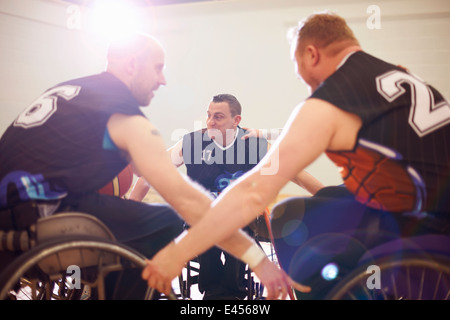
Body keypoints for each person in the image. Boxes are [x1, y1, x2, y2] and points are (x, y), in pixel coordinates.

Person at [141, 12, 450, 299]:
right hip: (434, 216)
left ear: (311, 54)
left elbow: (252, 192)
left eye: (297, 65)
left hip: (420, 225)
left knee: (290, 216)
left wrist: (177, 253)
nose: (303, 79)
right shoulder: (404, 78)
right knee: (330, 198)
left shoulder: (331, 100)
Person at [0, 32, 307, 300]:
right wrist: (259, 261)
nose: (163, 79)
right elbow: (187, 201)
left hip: (11, 218)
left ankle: (98, 284)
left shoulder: (72, 92)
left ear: (236, 121)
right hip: (42, 216)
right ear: (132, 64)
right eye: (158, 68)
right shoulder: (127, 118)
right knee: (169, 219)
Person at [129, 94, 323, 299]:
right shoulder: (192, 142)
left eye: (218, 117)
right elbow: (148, 176)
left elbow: (297, 174)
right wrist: (129, 209)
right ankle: (214, 291)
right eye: (209, 115)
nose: (210, 122)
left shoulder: (255, 144)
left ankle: (232, 292)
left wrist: (331, 195)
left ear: (236, 120)